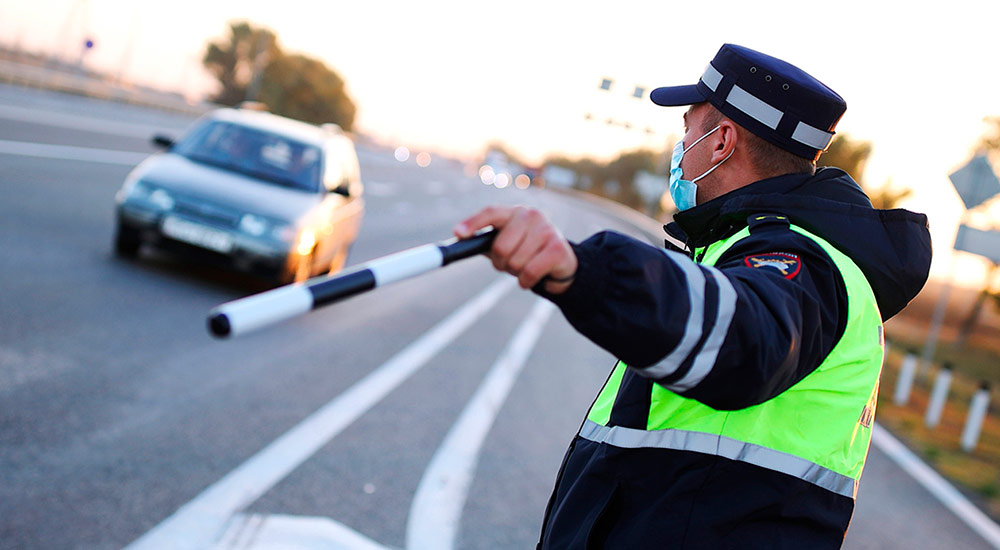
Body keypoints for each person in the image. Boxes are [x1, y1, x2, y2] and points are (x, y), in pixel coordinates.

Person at [454, 44, 932, 549]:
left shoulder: (802, 262)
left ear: (722, 140)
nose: (679, 146)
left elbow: (743, 338)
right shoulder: (745, 246)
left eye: (687, 128)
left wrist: (583, 270)